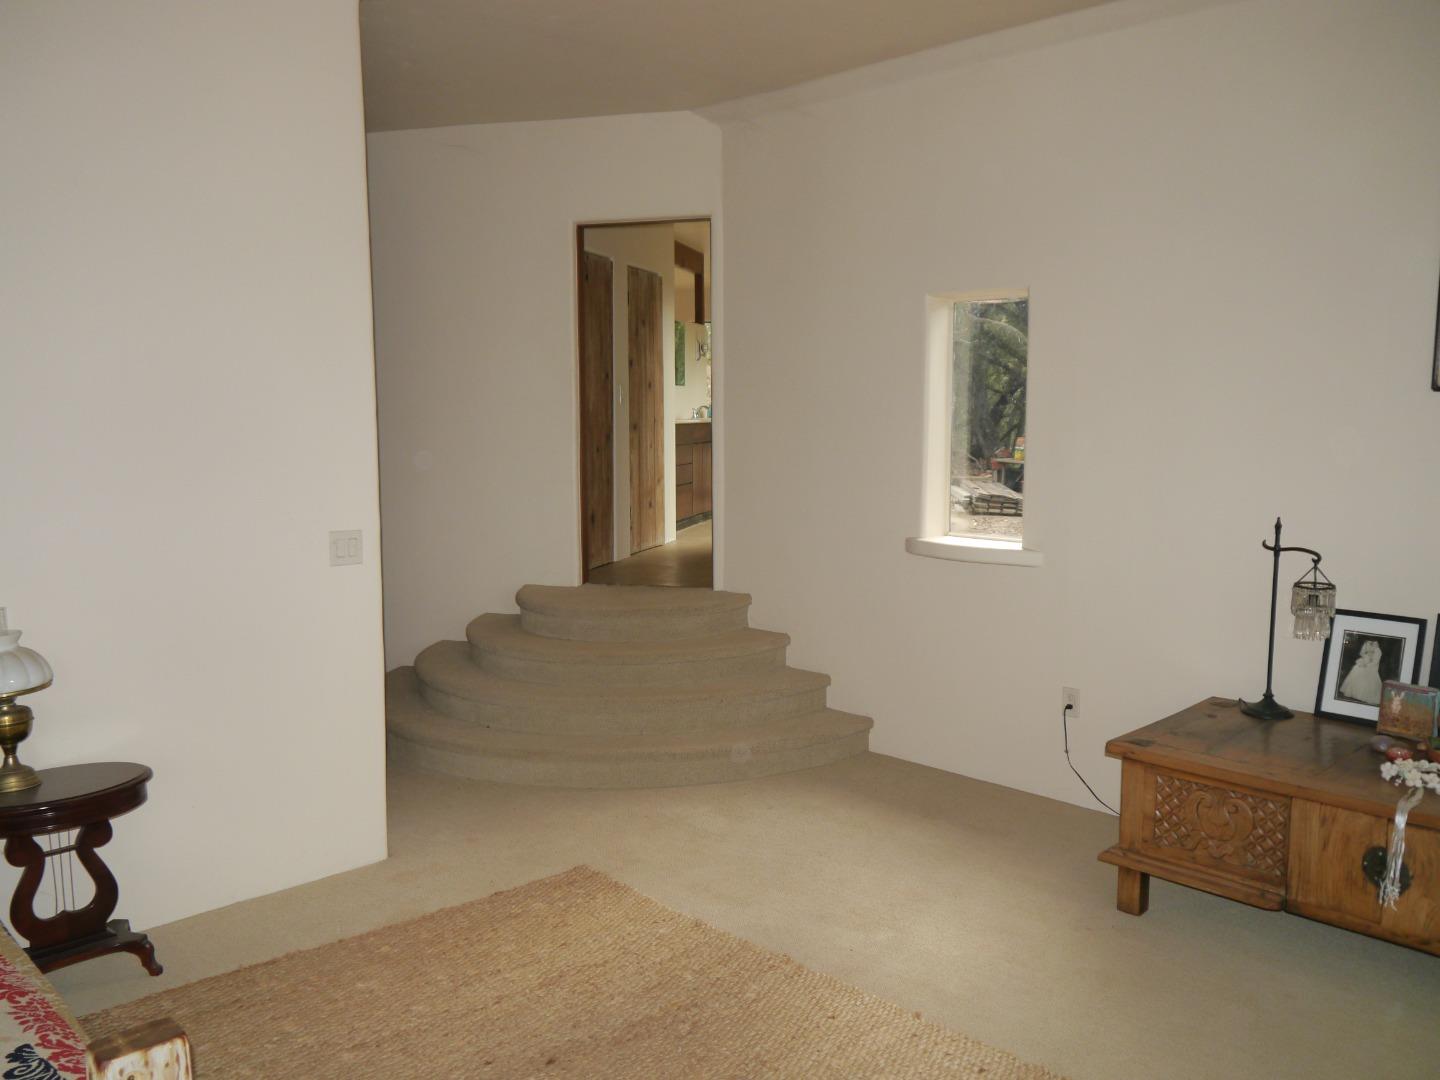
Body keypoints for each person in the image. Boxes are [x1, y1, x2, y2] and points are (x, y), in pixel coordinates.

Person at [1339, 638, 1384, 705]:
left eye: (1374, 643)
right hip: (1366, 662)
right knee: (1356, 668)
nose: (1373, 644)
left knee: (1366, 675)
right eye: (1372, 643)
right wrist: (1365, 658)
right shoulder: (1368, 643)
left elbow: (1375, 662)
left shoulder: (1378, 651)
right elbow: (1363, 653)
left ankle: (1363, 695)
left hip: (1372, 667)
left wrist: (1367, 664)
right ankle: (1353, 692)